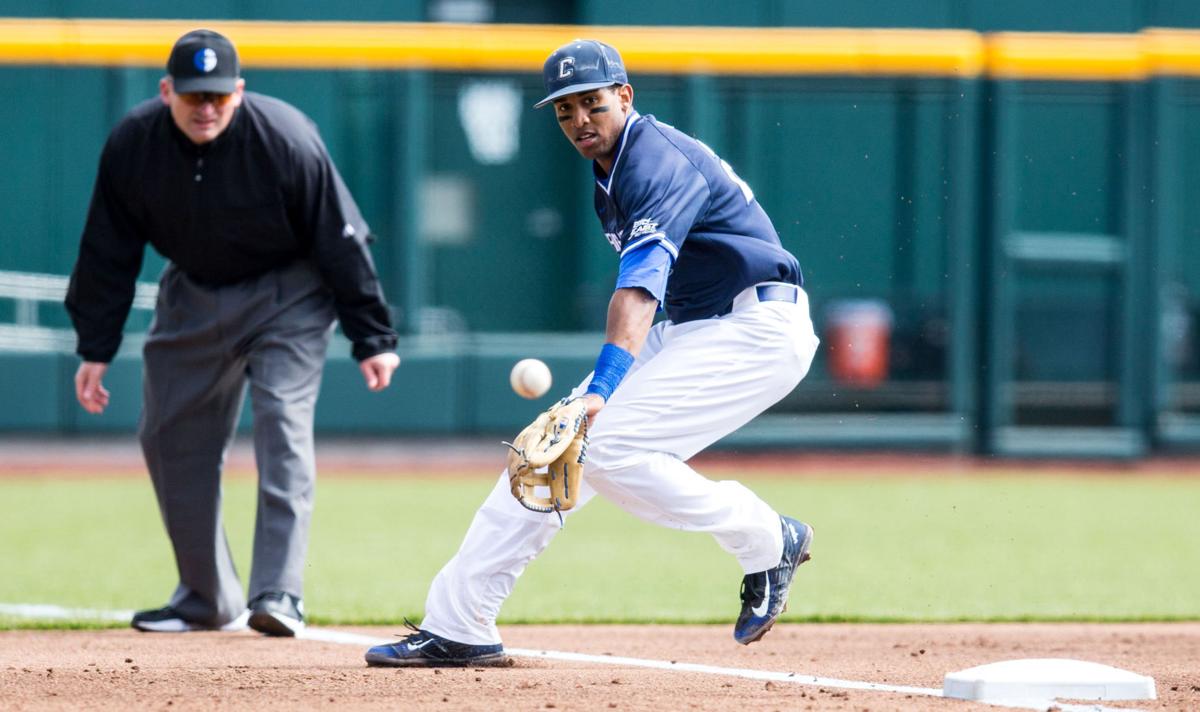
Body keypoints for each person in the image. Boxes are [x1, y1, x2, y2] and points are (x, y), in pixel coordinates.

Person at [364, 39, 820, 667]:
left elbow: (639, 292)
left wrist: (602, 389)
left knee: (600, 446)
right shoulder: (612, 168)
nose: (580, 119)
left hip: (756, 328)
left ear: (624, 96)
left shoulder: (655, 162)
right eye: (565, 109)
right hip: (700, 326)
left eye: (592, 103)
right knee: (544, 456)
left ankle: (767, 537)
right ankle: (459, 622)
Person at [64, 29, 400, 637]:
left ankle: (279, 593)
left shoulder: (285, 138)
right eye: (194, 95)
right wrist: (95, 346)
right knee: (167, 435)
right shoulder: (134, 145)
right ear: (166, 91)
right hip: (193, 291)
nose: (207, 107)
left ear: (239, 92)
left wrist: (372, 336)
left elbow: (339, 235)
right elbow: (107, 249)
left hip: (290, 294)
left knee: (281, 422)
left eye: (218, 95)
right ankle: (205, 597)